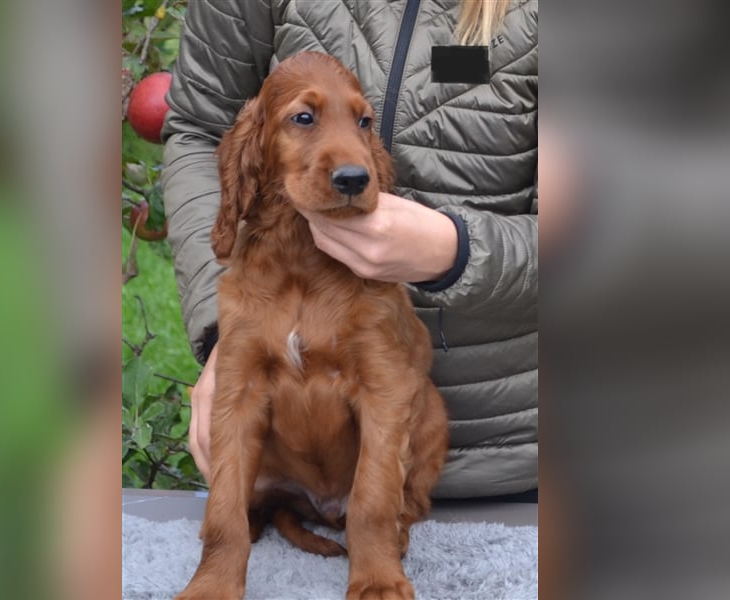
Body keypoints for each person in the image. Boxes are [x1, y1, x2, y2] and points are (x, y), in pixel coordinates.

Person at [162, 0, 538, 500]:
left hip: (508, 456)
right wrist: (230, 337)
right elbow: (202, 131)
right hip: (287, 452)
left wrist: (460, 252)